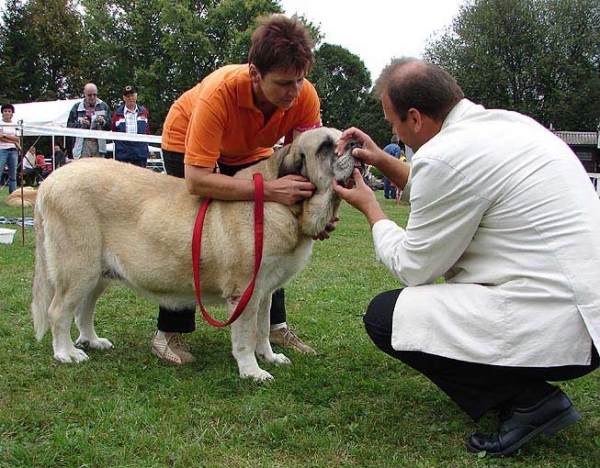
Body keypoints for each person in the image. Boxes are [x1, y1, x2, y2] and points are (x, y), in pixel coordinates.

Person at [333, 58, 600, 458]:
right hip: (587, 313)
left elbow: (413, 267)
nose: (392, 133)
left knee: (386, 317)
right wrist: (385, 160)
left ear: (415, 118)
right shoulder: (508, 124)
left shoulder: (446, 155)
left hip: (559, 324)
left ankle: (528, 401)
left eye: (393, 124)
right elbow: (459, 185)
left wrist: (372, 209)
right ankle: (523, 394)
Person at [153, 13, 327, 365]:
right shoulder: (219, 93)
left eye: (300, 80)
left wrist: (314, 215)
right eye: (283, 83)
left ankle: (273, 328)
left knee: (274, 233)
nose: (294, 92)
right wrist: (269, 190)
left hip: (252, 149)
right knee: (191, 228)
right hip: (187, 144)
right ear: (254, 73)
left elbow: (304, 168)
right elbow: (198, 180)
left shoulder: (303, 95)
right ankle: (170, 331)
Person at [67, 83, 112, 158]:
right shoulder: (77, 107)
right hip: (83, 143)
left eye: (95, 94)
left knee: (99, 168)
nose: (92, 97)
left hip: (99, 144)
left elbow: (110, 126)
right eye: (89, 95)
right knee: (84, 168)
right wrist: (80, 123)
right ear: (84, 94)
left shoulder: (104, 106)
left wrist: (102, 122)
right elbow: (69, 126)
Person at [111, 85, 151, 167]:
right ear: (124, 98)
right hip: (123, 155)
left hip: (140, 154)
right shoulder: (117, 114)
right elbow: (114, 133)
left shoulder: (144, 112)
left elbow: (147, 131)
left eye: (132, 95)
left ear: (136, 96)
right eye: (128, 96)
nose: (130, 98)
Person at [0, 103, 20, 193]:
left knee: (13, 175)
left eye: (9, 111)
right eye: (5, 111)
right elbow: (0, 137)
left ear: (12, 113)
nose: (7, 113)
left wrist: (5, 136)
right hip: (2, 150)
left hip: (13, 151)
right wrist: (14, 142)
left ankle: (13, 195)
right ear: (2, 113)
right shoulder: (0, 123)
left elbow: (17, 138)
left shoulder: (15, 124)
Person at [382, 134, 400, 199]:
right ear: (397, 141)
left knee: (386, 181)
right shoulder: (397, 148)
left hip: (384, 165)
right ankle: (393, 195)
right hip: (392, 166)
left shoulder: (386, 147)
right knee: (393, 181)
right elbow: (396, 158)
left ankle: (386, 195)